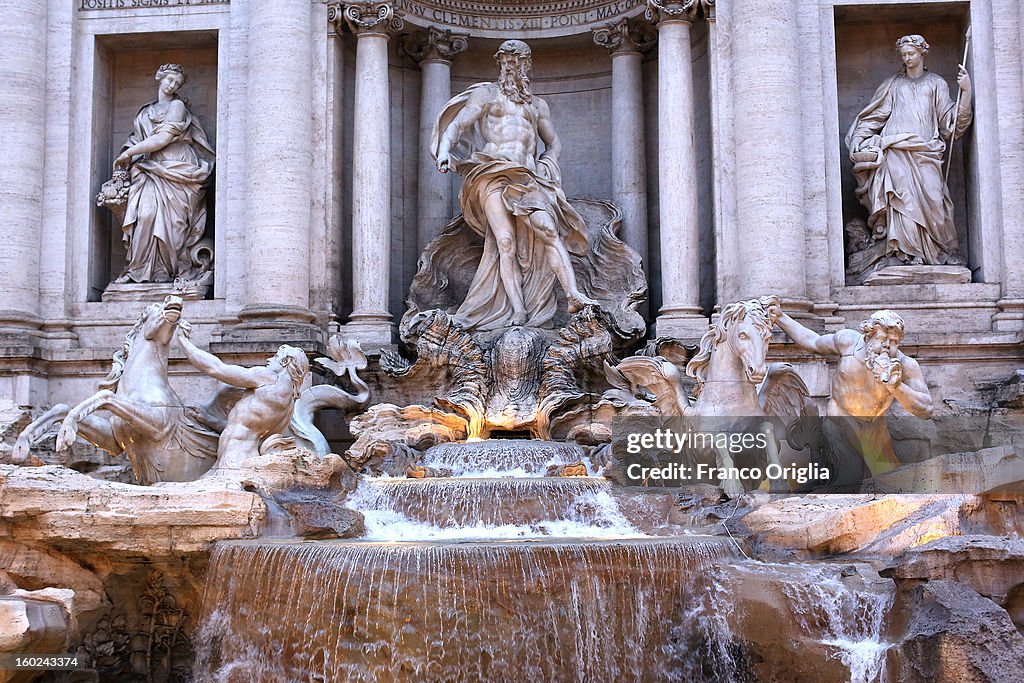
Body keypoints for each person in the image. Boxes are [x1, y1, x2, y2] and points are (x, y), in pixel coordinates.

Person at [431, 39, 598, 331]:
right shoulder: (487, 95)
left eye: (518, 61)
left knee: (548, 229)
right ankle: (518, 312)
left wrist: (549, 161)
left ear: (526, 65)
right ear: (500, 63)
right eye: (507, 60)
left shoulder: (537, 105)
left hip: (528, 176)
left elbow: (554, 142)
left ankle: (573, 295)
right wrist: (445, 150)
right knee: (504, 242)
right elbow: (457, 126)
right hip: (491, 173)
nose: (512, 66)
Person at [845, 34, 972, 266]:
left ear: (922, 53)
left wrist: (966, 93)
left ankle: (937, 251)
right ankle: (905, 254)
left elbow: (951, 125)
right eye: (903, 55)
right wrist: (859, 138)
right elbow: (873, 117)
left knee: (935, 199)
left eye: (911, 54)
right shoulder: (893, 85)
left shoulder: (936, 84)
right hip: (896, 150)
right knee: (901, 202)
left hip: (926, 151)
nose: (907, 58)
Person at [771, 305, 933, 478]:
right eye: (883, 338)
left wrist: (897, 387)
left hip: (875, 430)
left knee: (889, 481)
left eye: (894, 342)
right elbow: (812, 341)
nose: (887, 346)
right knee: (848, 478)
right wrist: (780, 317)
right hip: (839, 422)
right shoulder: (848, 342)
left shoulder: (905, 365)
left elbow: (926, 409)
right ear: (868, 336)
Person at [113, 64, 214, 284]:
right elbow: (138, 139)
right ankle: (138, 270)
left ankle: (169, 271)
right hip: (150, 168)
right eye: (169, 80)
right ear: (159, 78)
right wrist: (129, 154)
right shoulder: (145, 112)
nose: (172, 85)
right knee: (146, 215)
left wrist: (130, 153)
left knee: (174, 224)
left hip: (177, 167)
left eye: (177, 83)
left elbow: (162, 139)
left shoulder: (177, 106)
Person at [177, 322, 309, 472]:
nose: (268, 360)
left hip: (235, 459)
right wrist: (208, 419)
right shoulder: (289, 403)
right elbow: (244, 428)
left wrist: (183, 341)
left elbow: (216, 368)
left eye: (275, 357)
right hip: (243, 457)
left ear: (285, 361)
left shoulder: (269, 378)